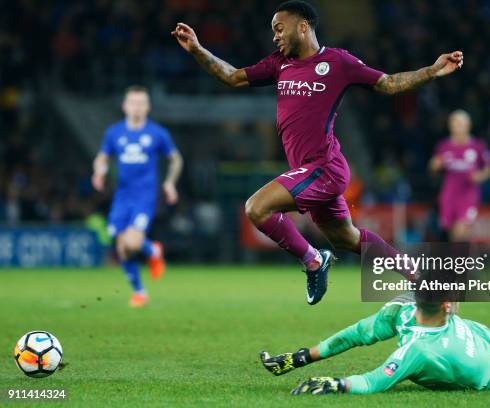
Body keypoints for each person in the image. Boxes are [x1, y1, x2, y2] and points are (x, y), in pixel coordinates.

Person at [172, 1, 464, 304]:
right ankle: (417, 275)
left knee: (256, 208)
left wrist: (431, 71)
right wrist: (197, 49)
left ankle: (313, 260)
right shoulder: (278, 64)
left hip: (324, 167)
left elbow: (388, 83)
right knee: (346, 238)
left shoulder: (338, 62)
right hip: (310, 172)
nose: (275, 36)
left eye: (279, 28)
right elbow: (233, 76)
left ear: (303, 26)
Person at [260, 281, 490, 395]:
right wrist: (330, 379)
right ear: (448, 305)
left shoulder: (403, 309)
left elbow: (356, 343)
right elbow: (373, 378)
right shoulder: (419, 346)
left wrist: (309, 362)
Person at [92, 85, 183, 307]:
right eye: (133, 103)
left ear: (148, 107)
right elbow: (102, 157)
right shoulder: (114, 133)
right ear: (124, 106)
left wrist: (170, 183)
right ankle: (141, 288)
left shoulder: (157, 133)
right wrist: (99, 171)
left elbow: (176, 159)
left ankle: (149, 250)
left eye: (141, 103)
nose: (137, 107)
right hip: (122, 196)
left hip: (145, 196)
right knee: (121, 245)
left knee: (131, 242)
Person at [429, 110, 490, 242]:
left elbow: (489, 167)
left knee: (461, 230)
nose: (457, 126)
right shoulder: (444, 146)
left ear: (468, 125)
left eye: (460, 123)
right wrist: (434, 165)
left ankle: (465, 259)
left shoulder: (477, 146)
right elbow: (433, 167)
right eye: (454, 123)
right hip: (449, 195)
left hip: (468, 195)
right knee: (454, 236)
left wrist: (480, 176)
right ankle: (464, 260)